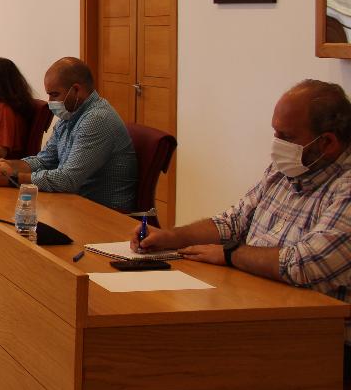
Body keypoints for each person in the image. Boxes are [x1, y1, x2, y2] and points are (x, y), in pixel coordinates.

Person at [133, 80, 351, 345]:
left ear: (327, 142)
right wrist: (171, 237)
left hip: (316, 338)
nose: (276, 145)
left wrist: (230, 254)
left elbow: (304, 264)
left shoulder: (344, 186)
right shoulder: (285, 169)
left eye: (287, 137)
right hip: (253, 303)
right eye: (275, 133)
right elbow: (233, 222)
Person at [0, 57, 136, 211]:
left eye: (54, 95)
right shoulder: (69, 116)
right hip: (72, 203)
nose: (50, 102)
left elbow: (68, 179)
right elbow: (44, 160)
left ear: (76, 90)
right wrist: (9, 166)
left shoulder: (97, 119)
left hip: (103, 214)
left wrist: (13, 178)